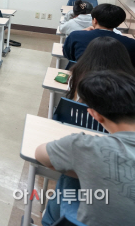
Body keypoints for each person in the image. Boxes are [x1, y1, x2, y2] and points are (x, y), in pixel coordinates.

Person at [35, 70, 135, 226]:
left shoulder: (84, 146)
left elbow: (40, 154)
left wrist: (82, 168)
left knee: (69, 176)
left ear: (94, 114)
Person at [63, 3, 135, 66]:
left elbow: (68, 55)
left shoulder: (75, 36)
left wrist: (80, 33)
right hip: (117, 80)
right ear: (119, 23)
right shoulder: (131, 43)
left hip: (83, 78)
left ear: (95, 20)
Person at [66, 37, 135, 100]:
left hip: (77, 113)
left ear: (88, 55)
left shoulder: (77, 75)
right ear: (123, 58)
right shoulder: (128, 85)